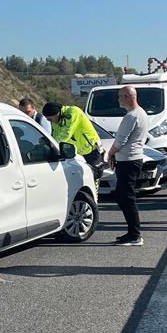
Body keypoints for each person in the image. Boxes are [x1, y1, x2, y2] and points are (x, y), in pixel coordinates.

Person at [107, 85, 147, 246]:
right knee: (122, 195)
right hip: (131, 158)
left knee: (127, 198)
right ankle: (132, 232)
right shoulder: (141, 113)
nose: (118, 99)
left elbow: (120, 140)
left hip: (129, 159)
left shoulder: (131, 116)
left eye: (121, 96)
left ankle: (135, 234)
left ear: (130, 97)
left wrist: (110, 153)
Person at [41, 101, 105, 176]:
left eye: (49, 119)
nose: (49, 121)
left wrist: (51, 145)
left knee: (94, 176)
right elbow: (55, 135)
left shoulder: (73, 112)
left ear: (57, 113)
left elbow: (65, 133)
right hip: (77, 153)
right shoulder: (56, 120)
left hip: (91, 150)